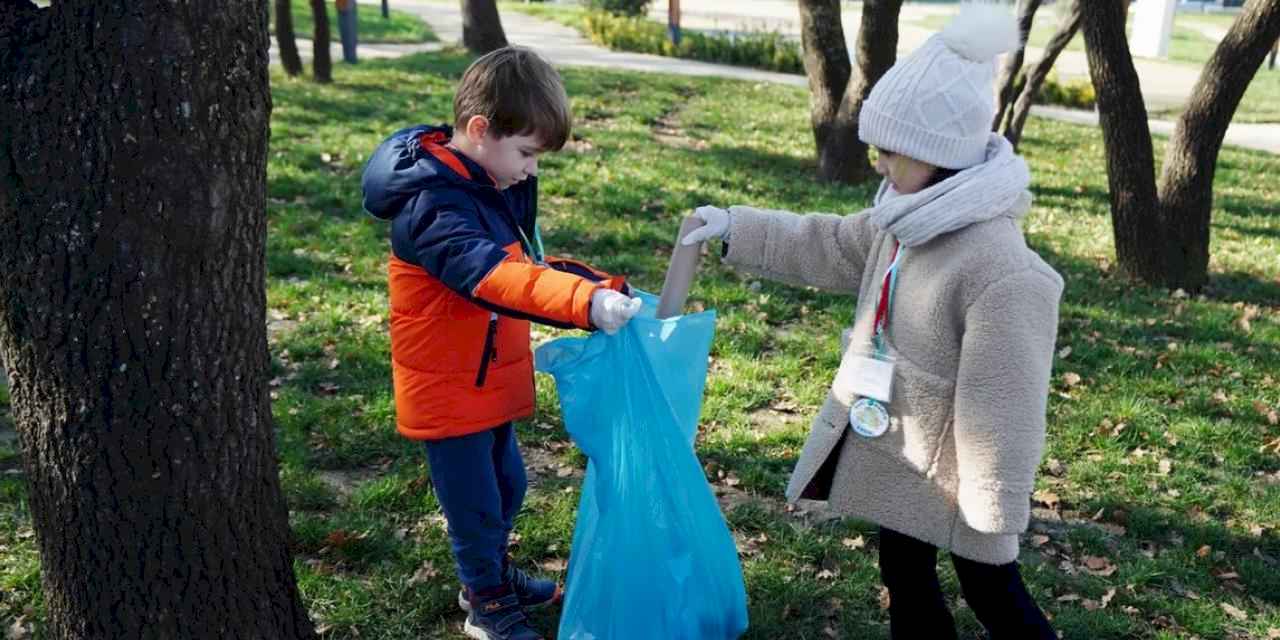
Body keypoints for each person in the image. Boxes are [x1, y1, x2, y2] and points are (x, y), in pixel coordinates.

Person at [682, 6, 1063, 639]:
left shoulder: (1004, 271)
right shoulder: (905, 218)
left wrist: (994, 502)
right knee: (904, 572)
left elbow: (1008, 400)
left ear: (940, 154)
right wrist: (736, 227)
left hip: (963, 477)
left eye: (890, 153)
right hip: (900, 449)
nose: (878, 166)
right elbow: (827, 243)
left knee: (991, 590)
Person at [361, 46, 642, 640]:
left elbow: (531, 265)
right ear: (480, 130)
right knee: (476, 505)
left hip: (484, 380)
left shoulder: (485, 184)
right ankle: (486, 602)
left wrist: (606, 288)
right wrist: (582, 305)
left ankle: (492, 574)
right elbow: (495, 277)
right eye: (527, 153)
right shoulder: (433, 207)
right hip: (448, 388)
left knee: (508, 484)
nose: (532, 170)